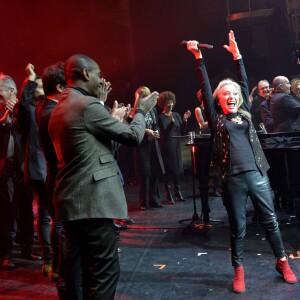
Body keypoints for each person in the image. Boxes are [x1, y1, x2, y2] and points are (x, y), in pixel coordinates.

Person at [186, 30, 297, 293]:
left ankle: (282, 262)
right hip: (232, 179)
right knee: (238, 227)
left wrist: (238, 56)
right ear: (219, 100)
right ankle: (239, 270)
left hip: (257, 175)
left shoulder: (245, 114)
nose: (231, 96)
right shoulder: (217, 119)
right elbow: (205, 87)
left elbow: (244, 84)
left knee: (270, 220)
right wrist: (198, 58)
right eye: (225, 94)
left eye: (234, 93)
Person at [48, 54, 159, 299]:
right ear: (86, 74)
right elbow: (132, 137)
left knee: (90, 272)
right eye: (98, 74)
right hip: (91, 204)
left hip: (73, 203)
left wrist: (103, 108)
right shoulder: (86, 106)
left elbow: (97, 148)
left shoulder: (63, 105)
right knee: (104, 273)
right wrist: (141, 111)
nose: (101, 80)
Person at [0, 74, 41, 269]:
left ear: (11, 91)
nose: (0, 100)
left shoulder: (23, 109)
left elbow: (27, 128)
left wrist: (14, 115)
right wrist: (3, 120)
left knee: (25, 206)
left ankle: (27, 246)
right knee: (6, 209)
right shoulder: (2, 110)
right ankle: (7, 252)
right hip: (5, 165)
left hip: (21, 164)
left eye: (1, 95)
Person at [16, 64, 53, 277]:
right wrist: (30, 80)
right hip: (38, 169)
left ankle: (52, 258)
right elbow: (22, 105)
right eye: (38, 86)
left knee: (50, 215)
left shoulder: (44, 108)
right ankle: (50, 258)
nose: (42, 88)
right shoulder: (29, 111)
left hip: (47, 166)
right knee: (47, 215)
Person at [130, 86, 165, 211]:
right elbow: (132, 127)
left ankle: (155, 200)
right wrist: (146, 131)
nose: (145, 98)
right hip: (142, 146)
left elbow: (156, 125)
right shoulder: (135, 111)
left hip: (153, 144)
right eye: (142, 96)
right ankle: (143, 202)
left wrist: (156, 132)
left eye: (146, 96)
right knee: (145, 173)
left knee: (155, 172)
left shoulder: (153, 110)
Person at [157, 91, 191, 204]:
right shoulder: (161, 117)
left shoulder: (176, 115)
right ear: (163, 104)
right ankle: (169, 194)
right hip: (167, 146)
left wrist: (185, 120)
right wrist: (171, 123)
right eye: (168, 103)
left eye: (172, 103)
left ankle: (178, 193)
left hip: (176, 145)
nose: (170, 105)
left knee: (177, 170)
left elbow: (182, 131)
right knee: (169, 171)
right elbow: (165, 132)